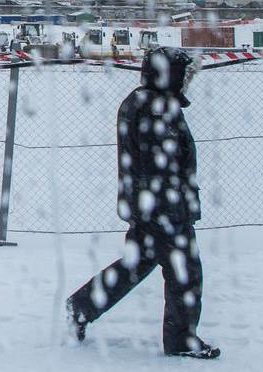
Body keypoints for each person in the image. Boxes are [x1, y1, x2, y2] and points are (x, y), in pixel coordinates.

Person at [64, 46, 220, 360]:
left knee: (136, 265)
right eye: (183, 74)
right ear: (168, 75)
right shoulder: (156, 108)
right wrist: (171, 208)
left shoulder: (144, 102)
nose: (187, 81)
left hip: (149, 205)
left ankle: (81, 306)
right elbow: (160, 164)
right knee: (186, 272)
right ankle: (181, 339)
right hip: (163, 209)